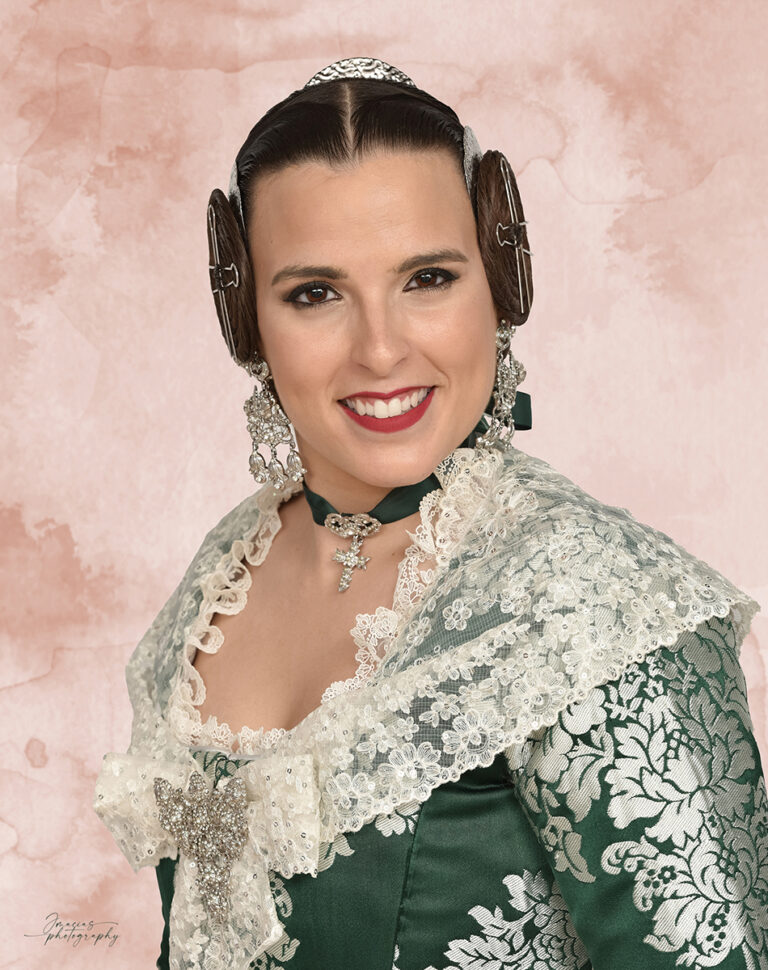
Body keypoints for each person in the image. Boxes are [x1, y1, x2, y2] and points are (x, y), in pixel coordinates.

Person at [93, 58, 767, 970]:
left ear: (499, 282)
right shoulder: (220, 577)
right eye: (315, 293)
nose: (380, 349)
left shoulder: (593, 601)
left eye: (428, 279)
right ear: (247, 319)